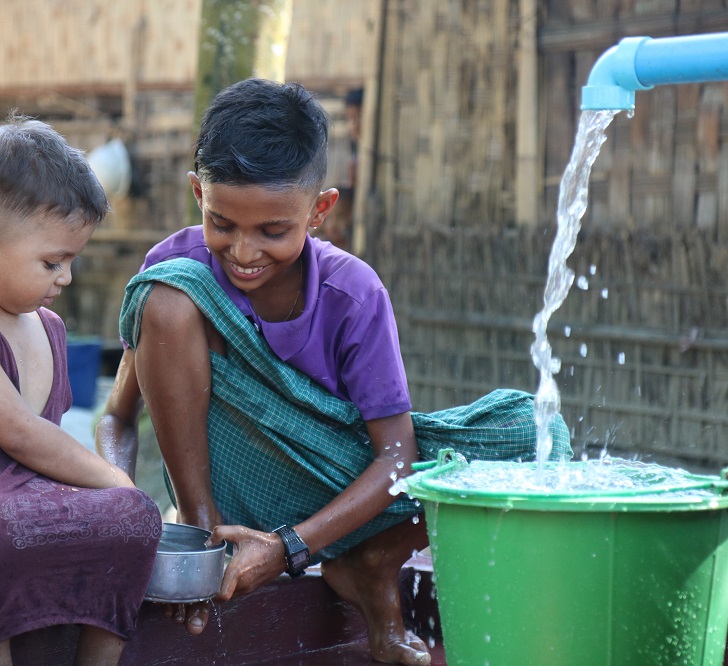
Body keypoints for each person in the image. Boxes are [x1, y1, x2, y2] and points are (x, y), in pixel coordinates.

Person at [96, 79, 571, 665]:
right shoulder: (175, 270)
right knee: (164, 296)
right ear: (198, 193)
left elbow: (395, 456)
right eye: (223, 224)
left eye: (273, 231)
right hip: (219, 503)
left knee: (533, 433)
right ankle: (204, 532)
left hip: (334, 504)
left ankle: (372, 564)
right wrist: (128, 521)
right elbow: (118, 418)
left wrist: (288, 547)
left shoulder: (353, 293)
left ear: (319, 210)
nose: (244, 252)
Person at [0, 115, 162, 666]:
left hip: (30, 511)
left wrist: (119, 502)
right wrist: (112, 478)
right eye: (52, 262)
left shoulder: (50, 328)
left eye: (72, 260)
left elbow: (50, 451)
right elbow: (21, 434)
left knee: (138, 517)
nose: (65, 277)